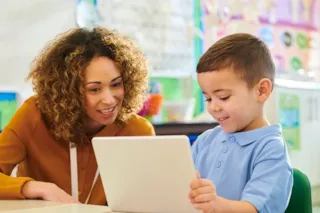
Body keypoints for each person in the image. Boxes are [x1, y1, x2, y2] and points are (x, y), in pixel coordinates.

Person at [0, 27, 155, 205]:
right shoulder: (34, 114)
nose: (109, 99)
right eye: (94, 89)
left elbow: (151, 200)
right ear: (68, 91)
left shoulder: (137, 131)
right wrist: (35, 188)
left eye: (116, 84)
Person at [188, 33, 293, 213]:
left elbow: (254, 209)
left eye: (223, 97)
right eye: (207, 98)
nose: (213, 107)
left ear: (261, 90)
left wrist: (215, 205)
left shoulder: (271, 149)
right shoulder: (206, 140)